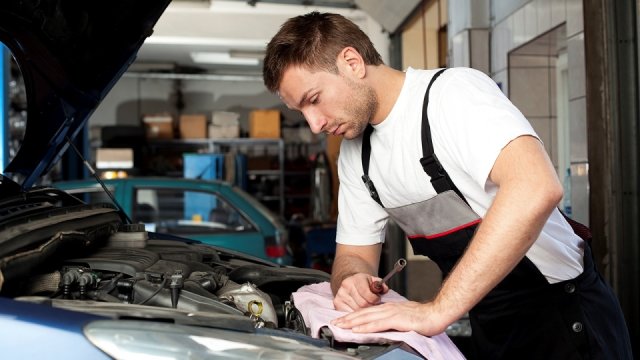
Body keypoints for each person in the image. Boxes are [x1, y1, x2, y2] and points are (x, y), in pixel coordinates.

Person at [263, 11, 633, 359]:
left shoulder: (451, 96)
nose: (314, 124)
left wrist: (437, 311)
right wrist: (353, 279)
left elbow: (535, 187)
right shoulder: (356, 155)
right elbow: (354, 255)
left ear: (352, 62)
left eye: (314, 100)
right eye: (302, 112)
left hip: (562, 317)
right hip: (488, 318)